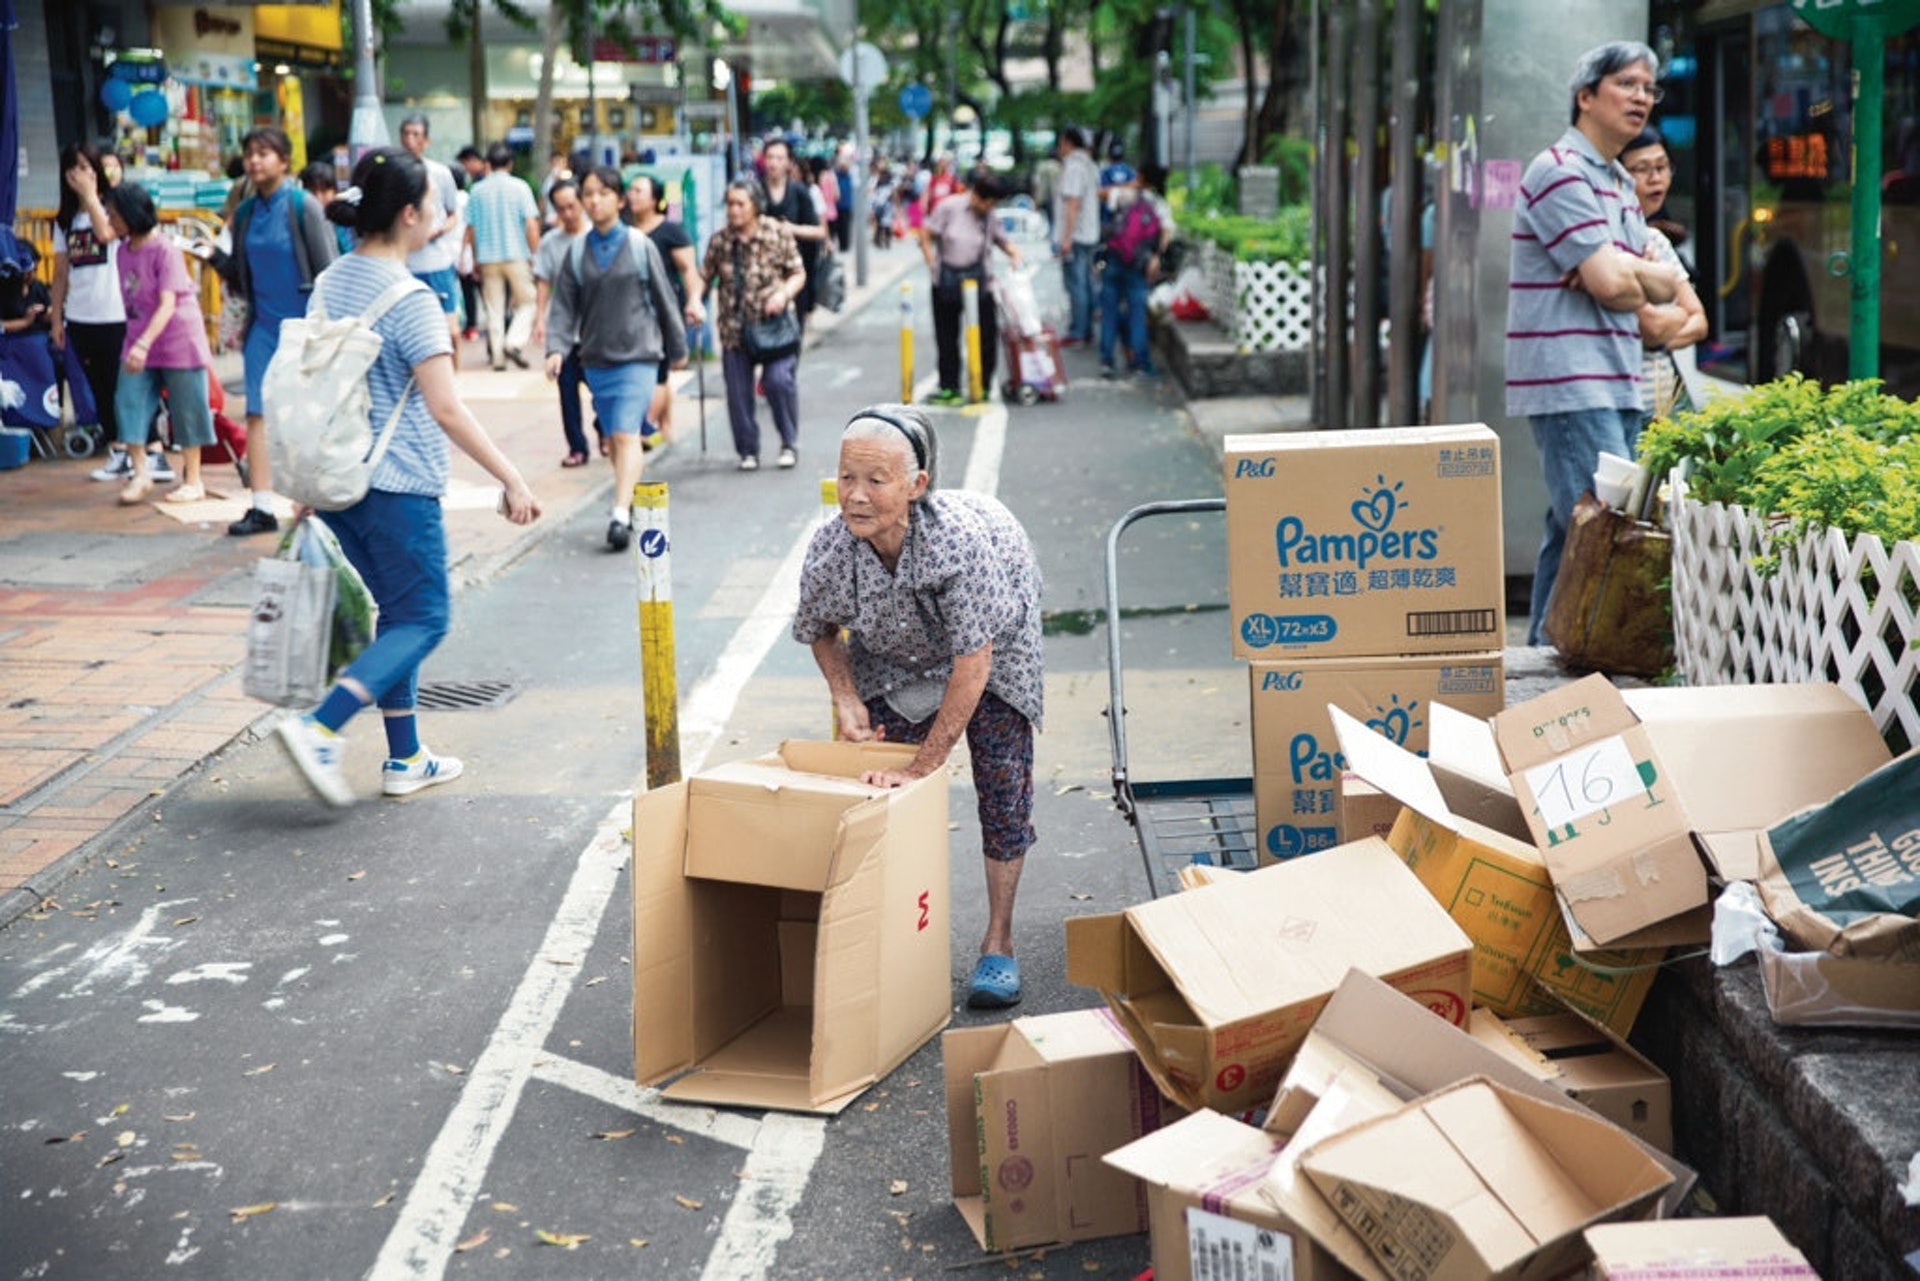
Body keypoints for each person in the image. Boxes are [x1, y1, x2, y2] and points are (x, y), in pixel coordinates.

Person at [274, 146, 541, 809]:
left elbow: (315, 386)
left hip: (338, 483)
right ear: (413, 214)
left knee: (396, 615)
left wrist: (305, 486)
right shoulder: (415, 300)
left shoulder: (334, 280)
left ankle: (406, 757)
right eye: (435, 203)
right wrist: (512, 477)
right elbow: (446, 407)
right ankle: (321, 725)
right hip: (400, 485)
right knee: (423, 617)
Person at [793, 406, 1044, 1009]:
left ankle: (998, 941)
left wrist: (926, 763)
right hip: (892, 652)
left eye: (875, 481)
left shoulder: (957, 544)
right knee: (883, 789)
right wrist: (845, 694)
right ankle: (896, 936)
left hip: (991, 647)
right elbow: (818, 628)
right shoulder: (832, 548)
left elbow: (973, 664)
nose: (855, 496)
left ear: (916, 485)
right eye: (845, 478)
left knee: (1001, 784)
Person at [1507, 41, 1680, 644]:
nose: (1641, 98)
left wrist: (1631, 276)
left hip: (1613, 375)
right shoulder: (1558, 171)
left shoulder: (1614, 183)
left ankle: (1541, 660)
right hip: (1571, 378)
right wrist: (1629, 275)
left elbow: (1662, 287)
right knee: (1601, 528)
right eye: (1627, 84)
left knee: (1574, 524)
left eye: (1648, 88)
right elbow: (1615, 281)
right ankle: (1574, 665)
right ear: (1586, 96)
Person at [542, 166, 686, 552]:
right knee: (613, 439)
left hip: (638, 354)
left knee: (625, 432)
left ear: (619, 200)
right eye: (588, 193)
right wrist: (556, 348)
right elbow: (563, 307)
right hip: (596, 358)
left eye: (603, 193)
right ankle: (629, 496)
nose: (594, 200)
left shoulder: (640, 245)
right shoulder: (576, 251)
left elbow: (664, 299)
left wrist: (678, 350)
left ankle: (620, 514)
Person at [218, 127, 340, 534]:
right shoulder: (247, 212)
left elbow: (328, 270)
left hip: (304, 327)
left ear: (284, 161)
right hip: (263, 326)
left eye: (265, 153)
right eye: (250, 153)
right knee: (256, 413)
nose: (255, 161)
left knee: (309, 415)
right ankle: (261, 506)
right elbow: (238, 271)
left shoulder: (303, 206)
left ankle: (316, 502)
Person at [50, 143, 160, 482]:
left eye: (86, 167)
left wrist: (92, 196)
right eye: (73, 170)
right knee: (99, 387)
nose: (79, 175)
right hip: (82, 316)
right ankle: (118, 451)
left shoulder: (113, 211)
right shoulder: (65, 221)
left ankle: (152, 451)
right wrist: (57, 317)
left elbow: (105, 233)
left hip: (117, 312)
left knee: (128, 386)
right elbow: (60, 272)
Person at [102, 183, 217, 506]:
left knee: (188, 408)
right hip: (140, 336)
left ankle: (193, 479)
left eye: (113, 214)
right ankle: (141, 472)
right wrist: (138, 344)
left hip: (178, 337)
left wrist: (142, 344)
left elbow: (167, 304)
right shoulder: (123, 250)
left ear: (130, 214)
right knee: (128, 400)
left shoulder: (165, 250)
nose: (110, 220)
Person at [701, 178, 807, 471]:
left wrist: (783, 294)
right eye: (730, 204)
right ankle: (748, 450)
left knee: (777, 381)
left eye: (740, 204)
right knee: (737, 393)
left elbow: (798, 273)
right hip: (735, 330)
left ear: (755, 205)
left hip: (775, 328)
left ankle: (788, 441)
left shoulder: (776, 233)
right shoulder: (720, 241)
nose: (734, 210)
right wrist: (695, 302)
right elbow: (704, 277)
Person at [1621, 127, 1707, 424]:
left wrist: (1659, 337)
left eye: (1662, 167)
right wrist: (1673, 321)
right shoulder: (1609, 242)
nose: (1655, 178)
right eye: (1641, 169)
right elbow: (1652, 326)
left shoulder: (1656, 241)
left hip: (1665, 407)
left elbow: (1700, 322)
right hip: (1626, 409)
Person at [920, 173, 1021, 406]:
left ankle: (983, 385)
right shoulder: (949, 207)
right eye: (986, 202)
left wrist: (1014, 254)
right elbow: (926, 234)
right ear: (975, 195)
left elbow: (1002, 240)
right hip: (945, 281)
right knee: (946, 337)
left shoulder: (990, 215)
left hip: (980, 283)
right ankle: (949, 388)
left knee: (987, 334)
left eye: (993, 204)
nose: (988, 207)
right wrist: (931, 263)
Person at [625, 172, 707, 450]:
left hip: (663, 312)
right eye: (631, 191)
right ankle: (666, 425)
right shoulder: (624, 229)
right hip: (630, 315)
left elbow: (689, 271)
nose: (632, 195)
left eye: (639, 191)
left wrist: (694, 300)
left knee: (659, 370)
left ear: (655, 198)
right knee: (646, 372)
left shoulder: (671, 231)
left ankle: (646, 428)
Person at [529, 179, 595, 467]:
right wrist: (540, 318)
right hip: (565, 331)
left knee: (604, 391)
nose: (568, 213)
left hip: (597, 330)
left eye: (572, 206)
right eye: (561, 209)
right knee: (567, 392)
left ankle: (606, 431)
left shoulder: (598, 236)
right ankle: (577, 447)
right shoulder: (550, 243)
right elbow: (543, 281)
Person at [467, 142, 540, 370]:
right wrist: (534, 253)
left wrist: (475, 258)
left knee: (493, 308)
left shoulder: (477, 190)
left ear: (488, 163)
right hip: (516, 253)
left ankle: (498, 356)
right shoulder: (520, 187)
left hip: (487, 256)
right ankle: (513, 341)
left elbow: (471, 230)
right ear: (510, 163)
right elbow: (530, 224)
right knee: (529, 301)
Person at [397, 114, 466, 348]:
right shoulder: (393, 173)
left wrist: (435, 231)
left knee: (450, 330)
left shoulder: (440, 173)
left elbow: (454, 214)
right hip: (404, 263)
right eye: (405, 134)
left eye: (416, 134)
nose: (410, 140)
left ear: (426, 140)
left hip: (437, 260)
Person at [759, 138, 827, 335]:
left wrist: (790, 229)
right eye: (770, 157)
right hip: (760, 275)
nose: (774, 163)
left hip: (794, 273)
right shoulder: (754, 191)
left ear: (789, 162)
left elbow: (820, 231)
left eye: (779, 158)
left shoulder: (799, 192)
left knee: (792, 333)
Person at [1097, 176, 1162, 380]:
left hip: (1113, 261)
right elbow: (1158, 232)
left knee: (1109, 314)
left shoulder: (1116, 197)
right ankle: (1139, 363)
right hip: (1137, 264)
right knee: (1136, 315)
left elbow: (1106, 227)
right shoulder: (1151, 203)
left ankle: (1107, 361)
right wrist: (1155, 257)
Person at [1053, 127, 1100, 347]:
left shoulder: (1073, 167)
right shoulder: (1090, 165)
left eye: (1061, 143)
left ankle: (1078, 331)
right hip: (1090, 233)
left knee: (1076, 284)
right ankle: (1086, 329)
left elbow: (1072, 205)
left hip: (1076, 235)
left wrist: (1066, 239)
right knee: (1087, 283)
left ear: (1067, 142)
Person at [299, 162, 355, 256]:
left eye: (324, 191)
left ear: (334, 192)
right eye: (312, 191)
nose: (318, 198)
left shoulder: (344, 220)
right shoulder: (299, 221)